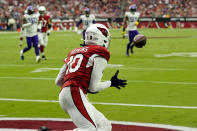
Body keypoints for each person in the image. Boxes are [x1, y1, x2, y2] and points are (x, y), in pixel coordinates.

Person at [55, 24, 127, 131]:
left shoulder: (74, 52)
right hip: (74, 92)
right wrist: (110, 83)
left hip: (67, 93)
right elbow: (94, 87)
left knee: (104, 125)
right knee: (89, 129)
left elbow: (58, 81)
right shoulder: (100, 52)